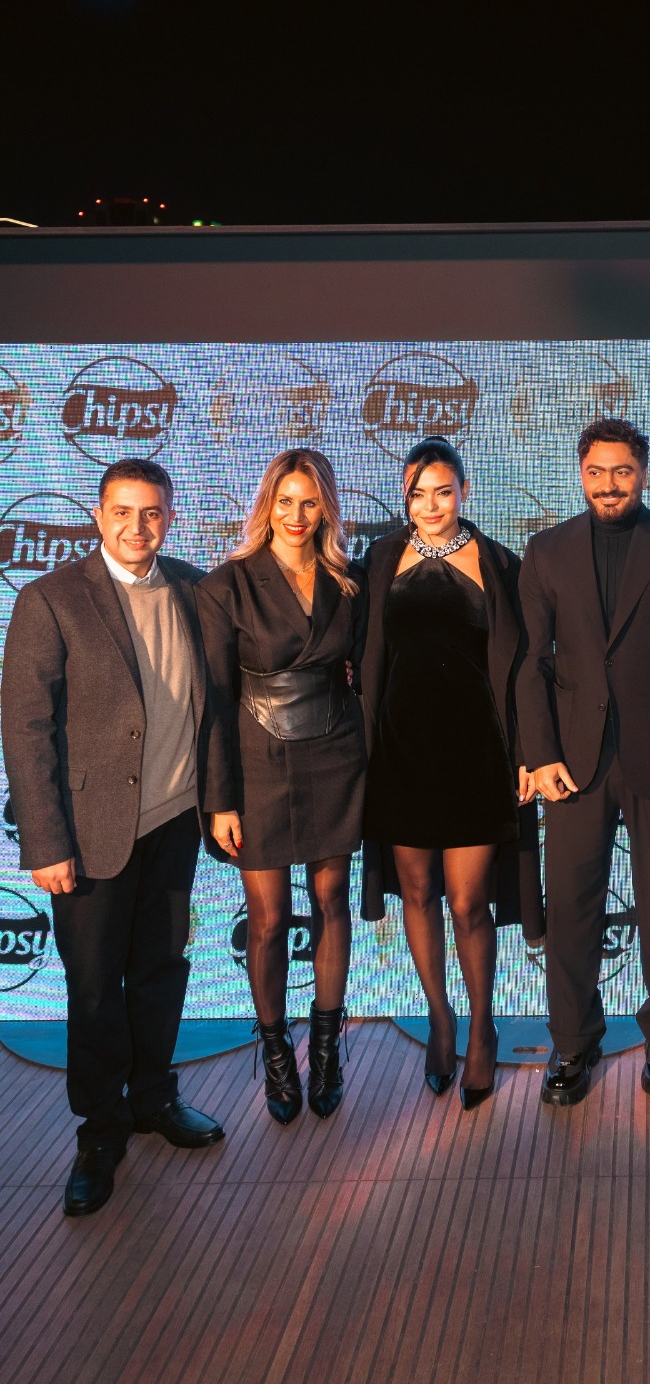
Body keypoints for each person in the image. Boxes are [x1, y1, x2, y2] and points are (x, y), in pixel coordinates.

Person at [1, 458, 224, 1217]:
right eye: (123, 511)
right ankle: (100, 1132)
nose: (137, 526)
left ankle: (154, 1097)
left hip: (174, 820)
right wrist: (44, 844)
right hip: (89, 834)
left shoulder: (195, 589)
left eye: (152, 512)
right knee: (94, 987)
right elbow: (25, 730)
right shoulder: (51, 598)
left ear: (170, 517)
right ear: (97, 515)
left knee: (162, 968)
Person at [517, 417, 650, 1106]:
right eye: (596, 472)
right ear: (580, 474)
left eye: (622, 471)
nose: (609, 485)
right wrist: (540, 755)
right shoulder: (546, 551)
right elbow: (531, 664)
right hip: (573, 765)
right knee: (571, 910)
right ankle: (572, 1042)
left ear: (644, 473)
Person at [359, 436, 541, 1109]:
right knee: (417, 895)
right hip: (402, 753)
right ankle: (440, 1021)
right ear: (404, 497)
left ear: (465, 491)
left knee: (468, 902)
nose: (431, 505)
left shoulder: (501, 563)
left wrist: (529, 753)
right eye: (418, 493)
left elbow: (528, 668)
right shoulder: (380, 560)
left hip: (477, 755)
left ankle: (482, 1030)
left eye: (444, 491)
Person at [196, 450, 366, 1125]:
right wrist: (219, 799)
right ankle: (275, 1056)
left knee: (331, 901)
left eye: (310, 502)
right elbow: (214, 699)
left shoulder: (348, 581)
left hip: (336, 755)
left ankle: (325, 1054)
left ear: (326, 508)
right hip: (256, 763)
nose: (297, 516)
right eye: (286, 501)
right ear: (267, 504)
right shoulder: (226, 585)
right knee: (267, 921)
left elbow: (364, 669)